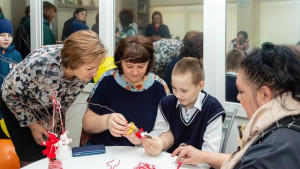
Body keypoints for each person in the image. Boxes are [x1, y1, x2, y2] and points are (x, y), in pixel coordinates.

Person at [171, 43, 300, 169]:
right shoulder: (287, 125)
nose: (238, 97)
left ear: (265, 95)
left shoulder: (273, 152)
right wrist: (203, 156)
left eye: (241, 91)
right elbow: (244, 159)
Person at [1, 30, 107, 167]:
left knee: (56, 149)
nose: (95, 73)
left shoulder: (84, 73)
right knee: (31, 155)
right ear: (74, 62)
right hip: (18, 103)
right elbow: (9, 95)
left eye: (96, 68)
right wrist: (33, 125)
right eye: (90, 68)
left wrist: (55, 119)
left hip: (48, 103)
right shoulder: (40, 65)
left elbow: (67, 99)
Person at [128, 57, 225, 169]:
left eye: (184, 90)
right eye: (174, 88)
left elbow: (210, 155)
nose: (178, 95)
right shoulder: (166, 103)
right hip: (169, 164)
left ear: (200, 86)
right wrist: (142, 139)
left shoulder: (212, 109)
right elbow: (159, 133)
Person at [82, 34, 170, 146]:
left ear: (149, 62)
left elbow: (168, 132)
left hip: (143, 154)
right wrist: (107, 120)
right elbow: (87, 124)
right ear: (119, 61)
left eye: (141, 66)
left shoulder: (159, 87)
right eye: (129, 66)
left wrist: (160, 144)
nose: (135, 72)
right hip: (105, 152)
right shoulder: (107, 80)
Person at [0, 14, 22, 139]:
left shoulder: (16, 55)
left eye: (9, 35)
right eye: (2, 35)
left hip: (8, 98)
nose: (6, 38)